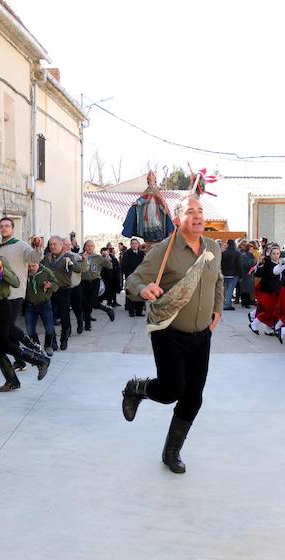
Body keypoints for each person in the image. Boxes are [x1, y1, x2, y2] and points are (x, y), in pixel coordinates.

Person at [121, 195, 223, 474]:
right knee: (170, 391)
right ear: (177, 219)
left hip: (202, 335)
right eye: (191, 211)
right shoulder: (164, 250)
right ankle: (136, 388)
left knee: (193, 397)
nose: (198, 215)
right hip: (169, 332)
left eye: (200, 210)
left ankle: (172, 452)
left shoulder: (213, 247)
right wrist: (143, 290)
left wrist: (217, 311)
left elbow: (218, 281)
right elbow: (133, 280)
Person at [0, 229, 50, 391]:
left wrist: (2, 271)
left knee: (3, 344)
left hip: (1, 306)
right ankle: (12, 381)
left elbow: (14, 282)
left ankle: (39, 360)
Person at [42, 235, 87, 350]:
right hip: (50, 291)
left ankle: (64, 339)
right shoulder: (47, 258)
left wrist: (74, 262)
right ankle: (53, 341)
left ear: (61, 245)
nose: (52, 246)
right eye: (50, 244)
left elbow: (79, 269)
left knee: (64, 316)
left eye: (54, 244)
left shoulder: (68, 256)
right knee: (49, 317)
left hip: (64, 291)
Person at [24, 260, 59, 356]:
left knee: (49, 328)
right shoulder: (24, 272)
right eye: (29, 266)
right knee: (30, 330)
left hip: (45, 304)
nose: (31, 268)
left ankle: (48, 345)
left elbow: (56, 284)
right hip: (30, 305)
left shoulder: (46, 271)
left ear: (38, 263)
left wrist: (50, 285)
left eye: (33, 266)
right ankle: (37, 347)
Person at [79, 240, 115, 330]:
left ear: (94, 247)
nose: (90, 247)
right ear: (84, 247)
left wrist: (106, 257)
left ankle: (107, 309)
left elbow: (110, 266)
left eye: (91, 246)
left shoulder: (98, 257)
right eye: (88, 246)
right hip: (83, 282)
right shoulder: (80, 256)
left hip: (95, 281)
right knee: (85, 304)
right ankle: (87, 325)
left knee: (93, 302)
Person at [248, 245, 281, 335]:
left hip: (276, 291)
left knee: (274, 311)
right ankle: (254, 324)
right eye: (274, 254)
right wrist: (259, 265)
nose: (276, 255)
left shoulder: (281, 264)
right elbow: (258, 274)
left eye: (278, 254)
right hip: (266, 290)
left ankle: (268, 328)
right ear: (270, 255)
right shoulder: (267, 263)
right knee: (269, 310)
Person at [120, 238, 146, 317]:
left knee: (140, 293)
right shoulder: (127, 254)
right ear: (130, 245)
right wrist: (128, 275)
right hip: (130, 276)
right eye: (133, 243)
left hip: (140, 276)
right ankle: (131, 311)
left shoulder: (142, 254)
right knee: (131, 294)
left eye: (136, 243)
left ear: (138, 245)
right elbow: (123, 266)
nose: (134, 245)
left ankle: (139, 311)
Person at [220, 238, 243, 310]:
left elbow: (221, 263)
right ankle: (227, 305)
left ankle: (225, 303)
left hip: (224, 273)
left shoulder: (223, 253)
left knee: (226, 289)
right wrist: (241, 275)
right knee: (230, 289)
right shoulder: (237, 253)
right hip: (234, 273)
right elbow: (239, 265)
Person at [238, 242, 256, 309]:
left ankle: (247, 302)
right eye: (251, 249)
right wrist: (253, 262)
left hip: (249, 274)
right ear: (247, 249)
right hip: (245, 274)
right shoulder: (244, 256)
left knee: (248, 289)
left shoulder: (251, 256)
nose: (252, 250)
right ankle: (244, 303)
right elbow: (246, 265)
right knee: (244, 289)